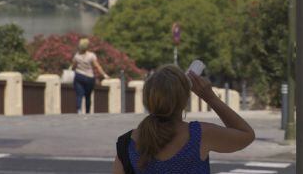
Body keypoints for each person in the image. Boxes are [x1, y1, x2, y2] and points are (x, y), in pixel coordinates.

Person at [112, 64, 255, 174]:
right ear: (185, 100)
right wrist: (210, 97)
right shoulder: (199, 135)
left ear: (146, 100)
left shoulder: (126, 143)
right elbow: (246, 134)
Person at [71, 38, 108, 114]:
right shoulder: (91, 56)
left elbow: (73, 67)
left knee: (79, 94)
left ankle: (79, 110)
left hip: (79, 76)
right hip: (89, 78)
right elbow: (97, 66)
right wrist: (104, 75)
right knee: (88, 96)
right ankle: (87, 111)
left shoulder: (76, 56)